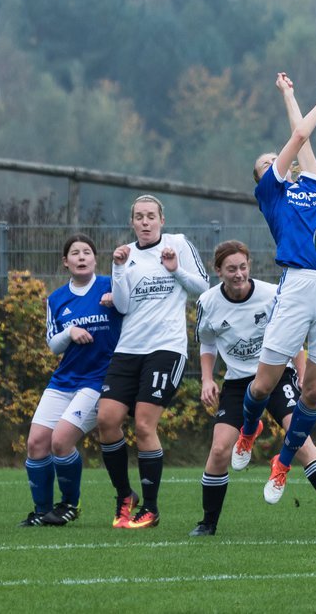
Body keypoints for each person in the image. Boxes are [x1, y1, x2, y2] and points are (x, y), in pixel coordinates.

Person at [231, 73, 316, 515]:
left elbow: (301, 140)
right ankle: (248, 430)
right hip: (299, 284)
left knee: (314, 394)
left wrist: (293, 98)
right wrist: (308, 99)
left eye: (279, 160)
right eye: (270, 162)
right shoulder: (271, 192)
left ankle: (282, 463)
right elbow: (300, 133)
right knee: (263, 385)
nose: (278, 162)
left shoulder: (313, 184)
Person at [191, 240, 316, 537]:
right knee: (219, 450)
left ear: (250, 266)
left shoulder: (273, 294)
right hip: (237, 383)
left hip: (278, 375)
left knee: (304, 446)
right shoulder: (207, 302)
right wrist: (208, 378)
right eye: (231, 269)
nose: (238, 274)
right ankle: (207, 523)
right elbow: (207, 341)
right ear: (217, 270)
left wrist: (302, 367)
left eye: (243, 267)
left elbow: (295, 331)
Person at [97, 195, 208, 530]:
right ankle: (124, 496)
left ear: (162, 219)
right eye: (139, 217)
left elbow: (202, 287)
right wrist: (117, 268)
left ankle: (151, 508)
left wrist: (176, 270)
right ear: (132, 223)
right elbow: (123, 305)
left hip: (166, 348)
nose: (145, 222)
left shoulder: (178, 245)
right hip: (128, 348)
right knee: (106, 420)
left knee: (144, 425)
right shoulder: (126, 256)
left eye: (151, 216)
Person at [19, 234, 121, 527]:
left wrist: (119, 300)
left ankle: (70, 504)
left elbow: (133, 308)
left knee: (61, 441)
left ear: (94, 259)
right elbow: (54, 345)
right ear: (66, 262)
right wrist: (70, 332)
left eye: (86, 252)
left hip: (98, 380)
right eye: (74, 253)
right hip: (64, 380)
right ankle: (42, 510)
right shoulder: (57, 298)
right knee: (37, 443)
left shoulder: (110, 287)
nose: (81, 257)